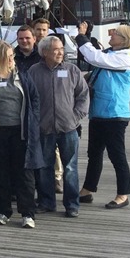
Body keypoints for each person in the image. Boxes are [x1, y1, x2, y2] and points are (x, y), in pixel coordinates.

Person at [0, 42, 43, 228]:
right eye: (8, 57)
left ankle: (28, 213)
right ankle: (3, 211)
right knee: (0, 173)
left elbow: (34, 98)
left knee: (25, 173)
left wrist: (33, 121)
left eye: (13, 56)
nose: (12, 60)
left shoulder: (22, 75)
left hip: (21, 131)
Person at [76, 24, 130, 209]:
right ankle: (87, 190)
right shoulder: (111, 54)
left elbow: (95, 57)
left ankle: (123, 194)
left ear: (125, 40)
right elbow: (97, 61)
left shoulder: (124, 57)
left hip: (115, 114)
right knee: (94, 154)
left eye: (116, 33)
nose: (111, 34)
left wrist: (81, 37)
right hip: (99, 113)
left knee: (116, 155)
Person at [26, 35, 89, 218]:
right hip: (43, 129)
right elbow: (28, 99)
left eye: (61, 48)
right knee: (44, 166)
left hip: (68, 128)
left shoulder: (72, 70)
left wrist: (75, 117)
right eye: (56, 49)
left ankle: (71, 204)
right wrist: (34, 122)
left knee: (70, 167)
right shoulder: (34, 72)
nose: (60, 52)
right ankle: (47, 202)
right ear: (44, 52)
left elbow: (83, 96)